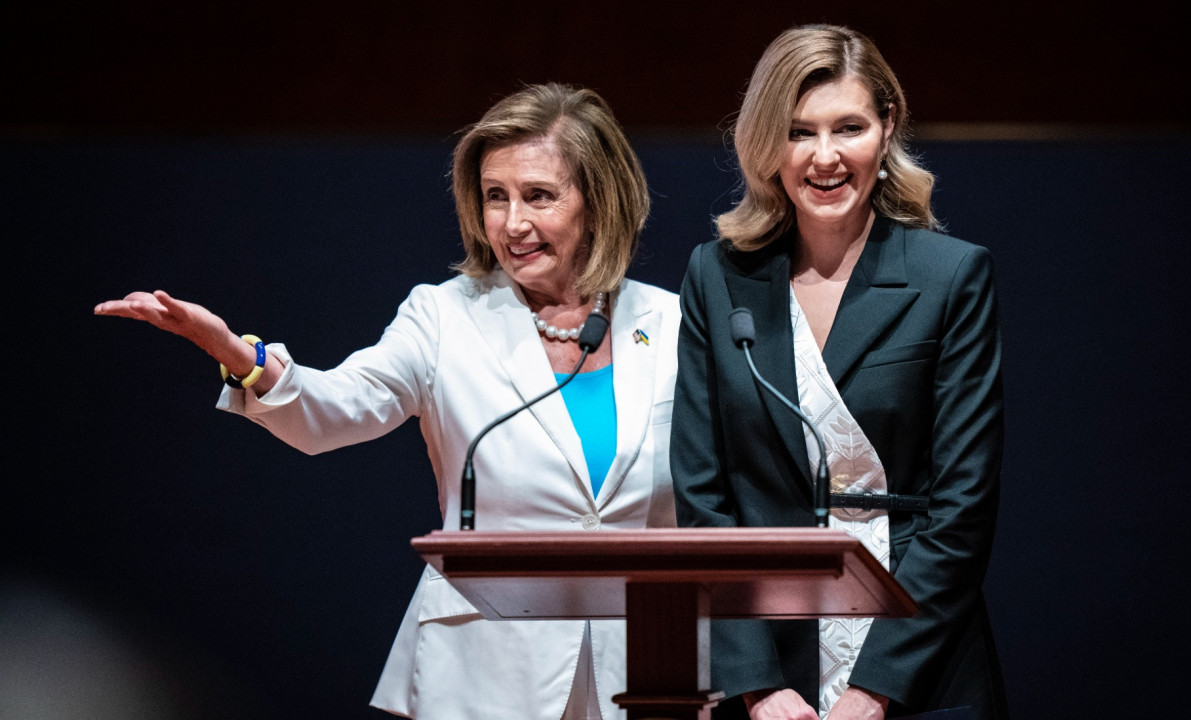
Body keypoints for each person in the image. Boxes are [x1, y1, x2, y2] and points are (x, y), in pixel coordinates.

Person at [94, 83, 681, 720]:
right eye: (495, 197)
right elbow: (336, 408)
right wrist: (242, 356)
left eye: (539, 196)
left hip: (647, 665)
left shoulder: (673, 323)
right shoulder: (444, 316)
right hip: (485, 669)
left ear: (598, 200)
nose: (513, 223)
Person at [671, 25, 1007, 720]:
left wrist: (876, 687)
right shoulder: (717, 277)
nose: (824, 157)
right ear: (768, 145)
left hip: (920, 666)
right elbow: (705, 502)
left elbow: (963, 510)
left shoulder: (952, 278)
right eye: (798, 132)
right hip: (770, 674)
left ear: (887, 129)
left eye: (847, 127)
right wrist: (758, 685)